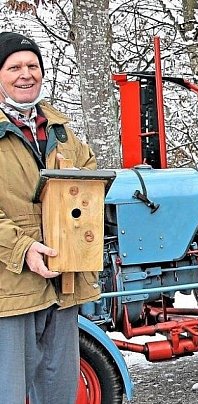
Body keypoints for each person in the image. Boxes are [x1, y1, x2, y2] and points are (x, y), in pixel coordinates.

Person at [0, 32, 98, 403]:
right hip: (10, 288)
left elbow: (88, 179)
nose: (26, 74)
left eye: (33, 66)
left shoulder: (60, 129)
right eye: (14, 67)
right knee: (8, 391)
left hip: (64, 280)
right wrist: (23, 248)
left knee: (59, 390)